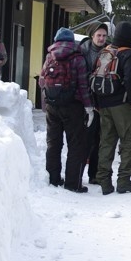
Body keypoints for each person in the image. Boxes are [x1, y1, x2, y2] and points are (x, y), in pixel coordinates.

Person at [40, 27, 93, 193]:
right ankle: (72, 183)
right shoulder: (78, 57)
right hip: (73, 106)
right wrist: (88, 107)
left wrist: (46, 102)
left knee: (53, 143)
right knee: (76, 145)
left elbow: (42, 80)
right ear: (72, 41)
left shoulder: (50, 56)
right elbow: (83, 85)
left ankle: (53, 178)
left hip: (53, 105)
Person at [93, 22, 131, 196]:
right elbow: (130, 79)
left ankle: (104, 181)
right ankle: (124, 180)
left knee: (107, 142)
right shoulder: (128, 54)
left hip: (104, 103)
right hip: (121, 104)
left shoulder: (106, 52)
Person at [79, 23, 110, 184]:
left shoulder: (109, 51)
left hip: (102, 102)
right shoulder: (82, 51)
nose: (101, 38)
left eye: (104, 35)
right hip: (85, 101)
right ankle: (77, 174)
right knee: (86, 140)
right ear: (92, 36)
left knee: (99, 139)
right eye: (99, 35)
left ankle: (94, 175)